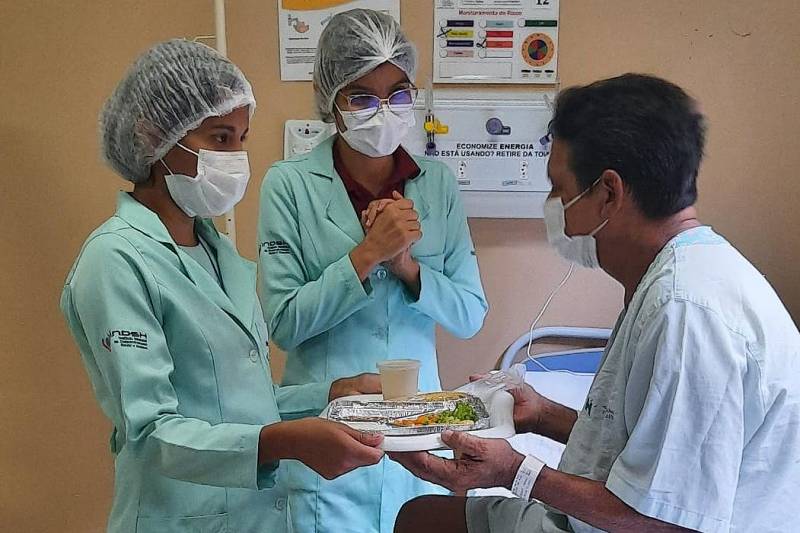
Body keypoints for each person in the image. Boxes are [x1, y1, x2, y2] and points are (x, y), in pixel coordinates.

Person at [390, 74, 800, 532]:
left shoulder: (687, 312)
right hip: (608, 517)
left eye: (560, 190)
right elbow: (649, 451)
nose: (555, 207)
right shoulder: (671, 277)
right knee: (420, 517)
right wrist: (543, 415)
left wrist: (514, 472)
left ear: (608, 193)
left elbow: (669, 522)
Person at [60, 39, 386, 533]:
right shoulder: (116, 259)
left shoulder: (219, 255)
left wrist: (334, 393)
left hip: (255, 518)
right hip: (177, 519)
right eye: (220, 138)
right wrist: (285, 442)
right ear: (153, 135)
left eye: (241, 139)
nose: (236, 157)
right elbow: (151, 432)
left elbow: (239, 404)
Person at [257, 8, 489, 533]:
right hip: (328, 439)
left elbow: (470, 314)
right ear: (330, 101)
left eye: (398, 94)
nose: (383, 111)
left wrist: (407, 267)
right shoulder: (288, 185)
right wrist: (365, 256)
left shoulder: (436, 184)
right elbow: (285, 324)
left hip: (418, 438)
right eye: (362, 97)